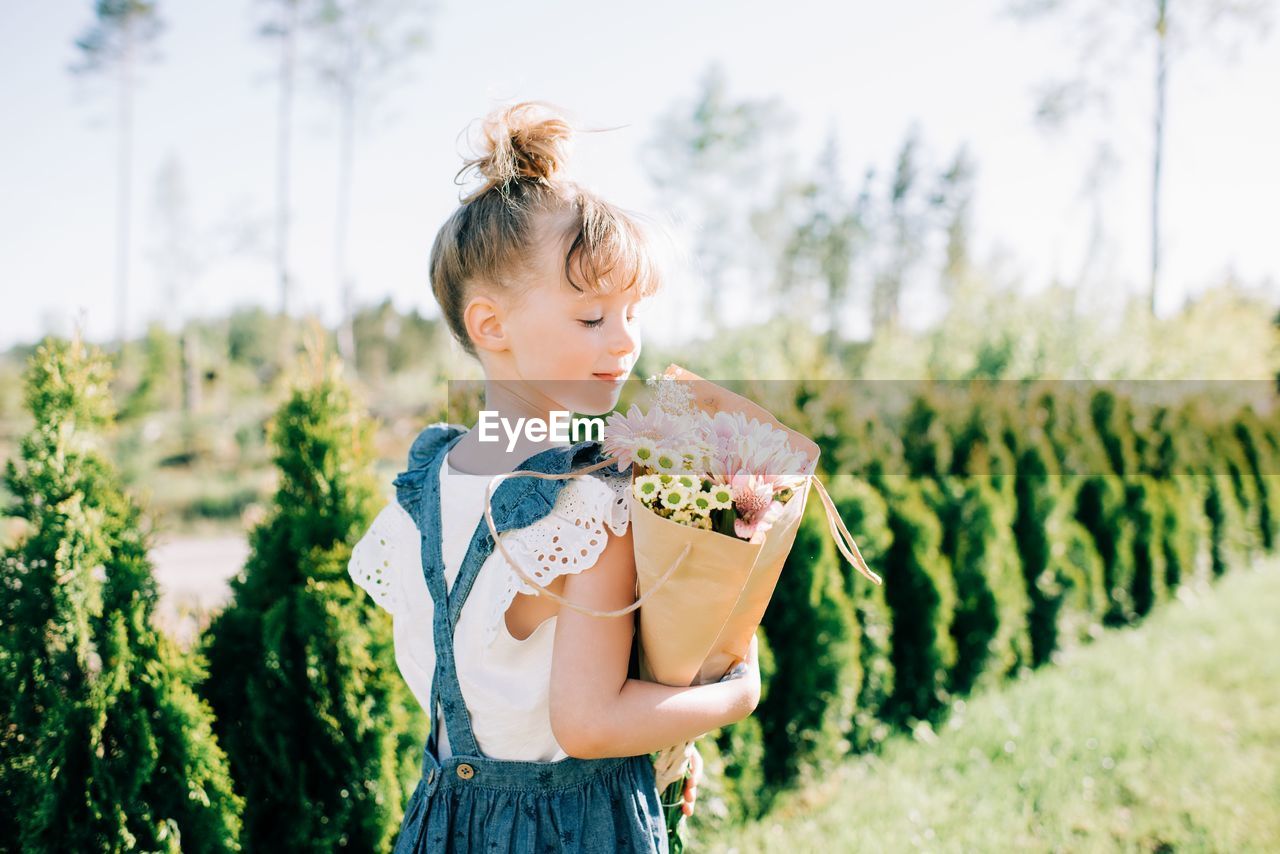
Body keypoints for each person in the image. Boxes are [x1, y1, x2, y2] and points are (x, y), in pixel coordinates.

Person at [347, 100, 761, 853]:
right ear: (490, 327)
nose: (626, 342)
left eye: (631, 313)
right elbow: (590, 723)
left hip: (445, 823)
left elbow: (488, 687)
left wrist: (671, 738)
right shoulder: (583, 508)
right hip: (571, 829)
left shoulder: (422, 488)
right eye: (592, 318)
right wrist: (734, 693)